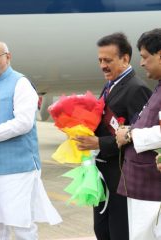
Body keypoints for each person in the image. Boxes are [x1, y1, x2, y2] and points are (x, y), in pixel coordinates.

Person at [0, 41, 62, 240]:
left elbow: (23, 123)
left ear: (8, 57)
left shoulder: (20, 83)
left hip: (18, 167)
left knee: (20, 224)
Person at [74, 33, 152, 240]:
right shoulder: (111, 86)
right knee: (102, 230)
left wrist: (99, 142)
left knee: (119, 232)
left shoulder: (137, 88)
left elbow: (141, 133)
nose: (102, 66)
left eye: (108, 60)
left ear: (125, 59)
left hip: (121, 176)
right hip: (103, 174)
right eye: (100, 60)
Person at [115, 28, 161, 240]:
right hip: (142, 182)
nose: (141, 63)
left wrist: (131, 135)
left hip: (152, 184)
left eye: (145, 57)